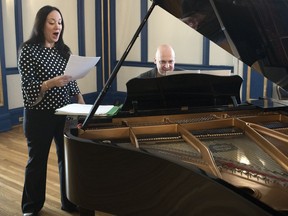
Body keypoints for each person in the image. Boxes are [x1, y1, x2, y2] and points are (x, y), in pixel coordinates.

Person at [18, 5, 85, 216]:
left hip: (66, 112)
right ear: (41, 25)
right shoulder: (28, 50)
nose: (58, 26)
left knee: (68, 158)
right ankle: (31, 206)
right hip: (39, 116)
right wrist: (50, 83)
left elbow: (71, 80)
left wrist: (80, 100)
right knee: (37, 161)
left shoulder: (63, 50)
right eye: (52, 22)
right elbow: (28, 88)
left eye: (60, 22)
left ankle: (70, 201)